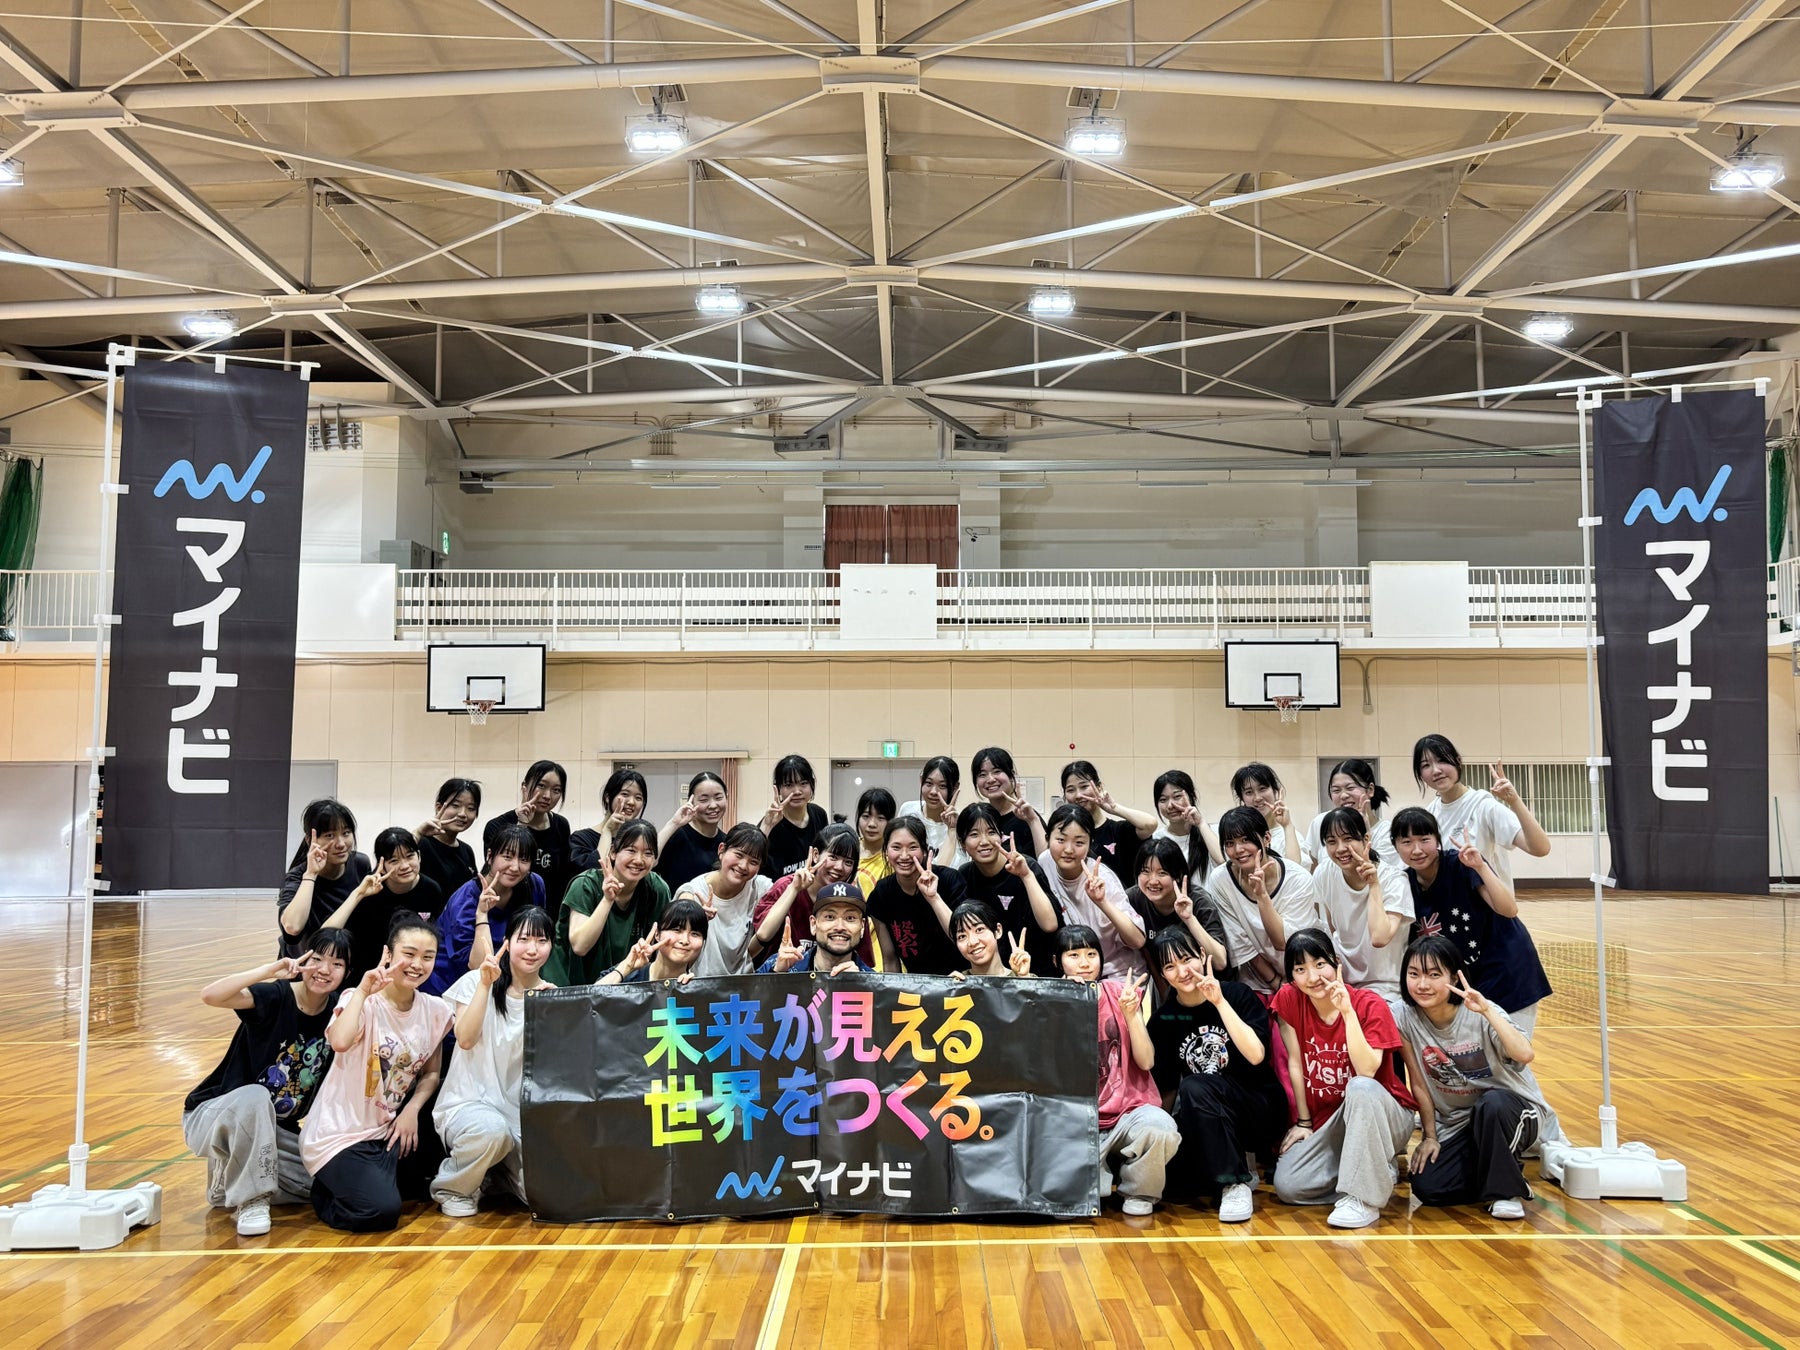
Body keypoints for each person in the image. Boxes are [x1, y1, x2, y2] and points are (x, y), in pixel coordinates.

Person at [183, 928, 351, 1236]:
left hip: (275, 1131)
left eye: (337, 964)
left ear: (347, 973)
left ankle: (228, 1181)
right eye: (317, 959)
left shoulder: (339, 1013)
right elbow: (211, 995)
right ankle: (252, 1199)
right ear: (303, 961)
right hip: (215, 1115)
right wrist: (269, 971)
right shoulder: (276, 996)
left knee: (328, 1183)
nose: (325, 970)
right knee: (256, 1096)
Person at [303, 916, 453, 1232]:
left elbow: (432, 1073)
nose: (417, 965)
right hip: (339, 1134)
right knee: (381, 1212)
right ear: (389, 954)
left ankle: (362, 1181)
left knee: (419, 1192)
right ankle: (323, 1195)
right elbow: (340, 1042)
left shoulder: (435, 1010)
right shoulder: (360, 1000)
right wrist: (362, 991)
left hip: (387, 1129)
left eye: (427, 957)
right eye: (409, 954)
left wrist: (412, 1110)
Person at [1397, 935, 1559, 1220]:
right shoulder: (1404, 1017)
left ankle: (1506, 1192)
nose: (1422, 984)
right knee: (1429, 1186)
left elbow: (1525, 1054)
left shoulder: (1482, 1010)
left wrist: (1487, 1011)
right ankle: (1494, 1175)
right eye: (1414, 974)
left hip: (1514, 1112)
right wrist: (1430, 1137)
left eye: (1434, 975)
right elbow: (1418, 1081)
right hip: (1462, 1126)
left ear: (1454, 978)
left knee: (1491, 1104)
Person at [1269, 929, 1418, 1230]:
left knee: (1359, 1087)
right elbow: (1296, 1062)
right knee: (1289, 1185)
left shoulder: (1369, 1004)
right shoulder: (1289, 999)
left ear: (1336, 963)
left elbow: (1367, 1071)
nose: (1313, 977)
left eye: (1319, 964)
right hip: (1333, 1120)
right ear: (1292, 976)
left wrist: (1347, 1013)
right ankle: (1377, 1170)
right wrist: (1304, 1122)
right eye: (1300, 969)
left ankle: (1363, 1199)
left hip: (1384, 1113)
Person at [1148, 928, 1287, 1222]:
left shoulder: (1237, 994)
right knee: (1170, 1184)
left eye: (1187, 959)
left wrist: (1219, 1002)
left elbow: (1256, 1055)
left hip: (1257, 1107)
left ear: (1202, 955)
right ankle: (1232, 1166)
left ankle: (1234, 1183)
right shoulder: (1164, 1020)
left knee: (1196, 1086)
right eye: (1170, 966)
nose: (1182, 972)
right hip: (1208, 1116)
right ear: (1162, 974)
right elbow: (1168, 1090)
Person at [431, 905, 553, 1217]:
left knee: (548, 1196)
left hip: (520, 1116)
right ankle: (453, 1187)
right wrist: (485, 985)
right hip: (469, 1105)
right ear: (507, 942)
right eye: (524, 939)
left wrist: (554, 1014)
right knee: (492, 1132)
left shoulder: (549, 996)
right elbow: (465, 1038)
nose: (532, 949)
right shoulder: (476, 981)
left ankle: (493, 1175)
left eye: (541, 941)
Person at [1390, 807, 1553, 1036]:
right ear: (1395, 845)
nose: (1416, 850)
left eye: (1424, 840)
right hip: (1464, 984)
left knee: (1512, 1051)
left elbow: (1509, 909)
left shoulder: (1462, 863)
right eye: (1406, 842)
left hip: (1507, 971)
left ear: (1437, 839)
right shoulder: (1403, 883)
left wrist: (1480, 866)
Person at [1056, 925, 1181, 1217]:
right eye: (1073, 955)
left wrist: (1131, 1015)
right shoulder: (1049, 1000)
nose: (1084, 963)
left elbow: (1147, 1062)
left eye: (1091, 954)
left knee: (1160, 1127)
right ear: (1057, 961)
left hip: (1128, 1112)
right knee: (1070, 1203)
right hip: (1074, 1119)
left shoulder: (1120, 993)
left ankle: (1139, 1191)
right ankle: (1096, 1177)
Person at [1204, 806, 1321, 993]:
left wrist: (1262, 896)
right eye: (1230, 843)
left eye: (1245, 840)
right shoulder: (1220, 880)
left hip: (1308, 973)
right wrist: (1275, 982)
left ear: (1266, 838)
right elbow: (1239, 942)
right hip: (1257, 979)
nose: (1238, 850)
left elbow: (1283, 942)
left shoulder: (1298, 878)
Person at [1413, 734, 1552, 886]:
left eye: (1441, 760)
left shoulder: (1483, 806)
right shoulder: (1429, 814)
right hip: (1451, 900)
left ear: (1458, 761)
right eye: (1426, 765)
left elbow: (1540, 848)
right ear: (1421, 775)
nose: (1436, 770)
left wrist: (1514, 801)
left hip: (1490, 900)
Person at [546, 820, 669, 986]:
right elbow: (580, 946)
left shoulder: (657, 889)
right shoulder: (585, 884)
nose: (639, 860)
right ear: (613, 852)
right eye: (631, 850)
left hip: (623, 985)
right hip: (571, 985)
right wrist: (607, 900)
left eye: (648, 853)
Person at [1308, 807, 1412, 1003]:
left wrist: (1374, 885)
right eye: (1331, 841)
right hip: (1343, 983)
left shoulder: (1394, 879)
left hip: (1388, 988)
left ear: (1366, 839)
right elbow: (1333, 928)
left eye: (1348, 839)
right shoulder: (1324, 872)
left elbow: (1380, 937)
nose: (1340, 848)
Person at [429, 824, 545, 996]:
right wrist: (482, 913)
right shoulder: (465, 900)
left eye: (524, 859)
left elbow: (538, 935)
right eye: (507, 857)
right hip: (452, 985)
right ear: (490, 856)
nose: (515, 867)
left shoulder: (534, 885)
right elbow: (476, 965)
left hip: (502, 982)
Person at [1037, 804, 1147, 981]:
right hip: (1077, 975)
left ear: (1090, 843)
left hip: (1118, 975)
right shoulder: (1045, 861)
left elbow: (1137, 940)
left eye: (1079, 842)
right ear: (1048, 838)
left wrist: (1102, 901)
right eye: (1061, 840)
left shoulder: (1102, 878)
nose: (1068, 850)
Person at [321, 827, 445, 983]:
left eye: (409, 856)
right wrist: (359, 894)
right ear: (382, 864)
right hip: (367, 976)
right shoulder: (369, 890)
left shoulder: (432, 890)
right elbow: (327, 934)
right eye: (394, 861)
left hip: (410, 976)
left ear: (419, 856)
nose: (404, 866)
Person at [954, 802, 1064, 975]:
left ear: (1001, 836)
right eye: (974, 834)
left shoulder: (1026, 866)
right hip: (996, 976)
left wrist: (1026, 875)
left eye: (991, 832)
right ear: (962, 843)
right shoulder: (964, 875)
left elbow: (1050, 925)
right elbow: (958, 930)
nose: (984, 841)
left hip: (1037, 972)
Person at [752, 823, 872, 965]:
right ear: (815, 854)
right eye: (833, 857)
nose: (839, 867)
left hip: (834, 977)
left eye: (848, 862)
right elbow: (763, 935)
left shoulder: (852, 898)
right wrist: (794, 889)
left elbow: (865, 963)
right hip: (780, 974)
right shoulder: (785, 886)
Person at [867, 815, 970, 974]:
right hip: (916, 983)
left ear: (924, 850)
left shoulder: (950, 880)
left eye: (912, 847)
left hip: (959, 978)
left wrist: (934, 898)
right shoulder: (881, 893)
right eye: (896, 847)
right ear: (886, 850)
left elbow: (964, 937)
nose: (904, 855)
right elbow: (890, 960)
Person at [674, 823, 775, 977]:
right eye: (739, 855)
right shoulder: (692, 893)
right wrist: (698, 919)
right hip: (700, 984)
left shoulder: (760, 887)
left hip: (743, 985)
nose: (743, 866)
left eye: (753, 862)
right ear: (721, 850)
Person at [277, 798, 372, 958]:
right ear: (310, 840)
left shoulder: (360, 864)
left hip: (344, 959)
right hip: (305, 962)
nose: (341, 843)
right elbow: (292, 927)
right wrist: (311, 875)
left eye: (346, 833)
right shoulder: (298, 876)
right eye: (329, 835)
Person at [1125, 835, 1229, 974]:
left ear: (1179, 875)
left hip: (1208, 979)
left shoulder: (1199, 901)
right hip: (1168, 980)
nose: (1153, 881)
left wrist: (1189, 919)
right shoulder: (1132, 899)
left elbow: (1220, 962)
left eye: (1162, 873)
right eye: (1145, 872)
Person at [482, 760, 574, 912]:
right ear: (524, 786)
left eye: (556, 790)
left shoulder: (561, 825)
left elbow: (563, 877)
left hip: (548, 913)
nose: (547, 796)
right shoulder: (497, 826)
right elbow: (494, 874)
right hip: (509, 911)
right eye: (541, 786)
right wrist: (522, 824)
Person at [1059, 759, 1157, 880]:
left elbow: (1150, 824)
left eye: (1084, 786)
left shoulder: (1118, 830)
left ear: (1099, 787)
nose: (1078, 795)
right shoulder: (1064, 836)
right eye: (1070, 790)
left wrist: (1114, 808)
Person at [760, 881, 876, 976]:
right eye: (830, 917)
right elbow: (752, 994)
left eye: (850, 918)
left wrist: (859, 985)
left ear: (862, 927)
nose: (840, 927)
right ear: (813, 924)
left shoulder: (873, 983)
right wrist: (777, 976)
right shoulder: (780, 965)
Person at [1301, 759, 1393, 870]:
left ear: (1370, 789)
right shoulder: (1321, 822)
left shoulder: (1387, 831)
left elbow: (1383, 872)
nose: (1343, 795)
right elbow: (1314, 867)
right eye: (1336, 790)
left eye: (1350, 788)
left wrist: (1364, 829)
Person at [599, 898, 709, 984]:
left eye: (695, 934)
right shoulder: (628, 974)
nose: (685, 941)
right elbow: (592, 1000)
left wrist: (688, 994)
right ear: (657, 934)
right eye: (676, 930)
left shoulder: (697, 990)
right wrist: (626, 967)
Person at [656, 770, 730, 892]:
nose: (713, 805)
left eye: (718, 798)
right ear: (691, 801)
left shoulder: (727, 842)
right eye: (704, 800)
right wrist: (673, 824)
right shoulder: (675, 836)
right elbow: (649, 861)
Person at [760, 753, 830, 878]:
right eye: (788, 785)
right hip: (779, 889)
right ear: (778, 788)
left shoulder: (819, 815)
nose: (797, 791)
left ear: (812, 784)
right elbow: (754, 865)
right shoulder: (770, 823)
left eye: (803, 783)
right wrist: (765, 828)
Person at [970, 746, 1047, 857]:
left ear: (1011, 775)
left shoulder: (1027, 816)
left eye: (997, 771)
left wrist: (1032, 821)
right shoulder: (980, 818)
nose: (990, 779)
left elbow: (1047, 861)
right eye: (982, 774)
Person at [414, 777, 482, 903]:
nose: (463, 814)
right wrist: (418, 833)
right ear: (439, 807)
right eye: (455, 805)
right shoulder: (421, 843)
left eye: (471, 808)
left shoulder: (467, 851)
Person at [570, 767, 647, 875]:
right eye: (625, 794)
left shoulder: (638, 840)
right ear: (607, 797)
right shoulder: (581, 839)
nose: (631, 802)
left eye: (638, 798)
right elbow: (589, 874)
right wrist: (607, 831)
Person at [1151, 769, 1222, 886]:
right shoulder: (1156, 840)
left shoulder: (1213, 831)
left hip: (1211, 898)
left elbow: (1223, 862)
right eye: (1163, 800)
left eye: (1177, 796)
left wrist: (1201, 824)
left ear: (1191, 796)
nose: (1170, 805)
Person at [899, 755, 965, 867]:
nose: (934, 792)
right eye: (929, 783)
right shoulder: (908, 810)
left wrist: (952, 828)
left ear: (955, 787)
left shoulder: (960, 823)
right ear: (921, 780)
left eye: (942, 786)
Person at [1229, 762, 1300, 862]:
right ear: (1242, 798)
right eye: (1249, 792)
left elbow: (1295, 868)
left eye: (1262, 789)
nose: (1257, 798)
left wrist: (1287, 825)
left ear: (1275, 791)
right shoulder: (1237, 835)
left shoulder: (1289, 834)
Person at [946, 901, 1034, 978]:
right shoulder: (957, 983)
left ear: (998, 931)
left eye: (979, 930)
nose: (972, 942)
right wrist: (948, 988)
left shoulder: (1026, 978)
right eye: (962, 936)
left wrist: (1024, 979)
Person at [854, 786, 898, 899]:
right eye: (866, 816)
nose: (872, 824)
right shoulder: (848, 850)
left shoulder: (894, 857)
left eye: (880, 818)